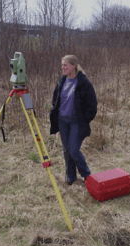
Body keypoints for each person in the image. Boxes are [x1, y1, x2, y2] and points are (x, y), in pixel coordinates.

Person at [49, 55, 97, 185]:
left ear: (73, 66)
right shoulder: (61, 81)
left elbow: (92, 105)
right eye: (62, 65)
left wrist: (85, 119)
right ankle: (71, 176)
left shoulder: (83, 83)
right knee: (66, 149)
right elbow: (56, 99)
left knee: (73, 150)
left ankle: (87, 175)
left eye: (65, 65)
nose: (62, 68)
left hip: (77, 122)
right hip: (62, 121)